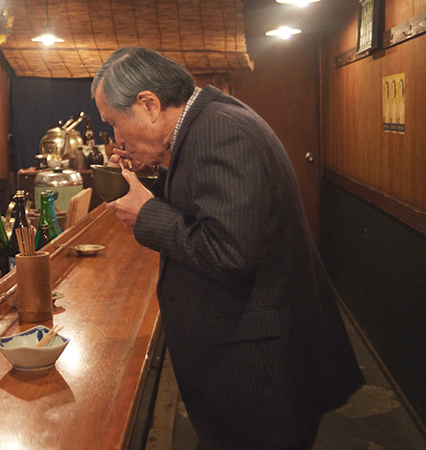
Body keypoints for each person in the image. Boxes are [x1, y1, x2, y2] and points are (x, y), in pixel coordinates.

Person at [91, 47, 363, 450]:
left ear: (149, 104)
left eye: (115, 122)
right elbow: (211, 204)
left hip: (259, 371)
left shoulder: (218, 131)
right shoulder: (211, 118)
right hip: (261, 353)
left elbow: (229, 252)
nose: (117, 138)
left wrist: (145, 213)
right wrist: (157, 180)